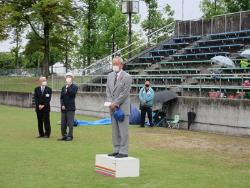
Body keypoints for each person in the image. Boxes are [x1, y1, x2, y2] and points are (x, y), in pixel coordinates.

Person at [106, 56, 132, 158]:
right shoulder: (110, 76)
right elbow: (108, 90)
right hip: (112, 108)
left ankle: (124, 151)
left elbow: (125, 93)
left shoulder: (127, 77)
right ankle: (116, 149)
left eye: (116, 64)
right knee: (115, 130)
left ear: (121, 65)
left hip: (122, 108)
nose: (114, 66)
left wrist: (115, 103)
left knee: (123, 130)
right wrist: (110, 102)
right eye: (113, 64)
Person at [58, 72, 78, 141]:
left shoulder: (75, 87)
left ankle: (70, 136)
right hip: (63, 108)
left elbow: (72, 94)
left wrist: (69, 86)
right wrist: (62, 105)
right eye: (67, 77)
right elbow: (61, 97)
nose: (68, 78)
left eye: (69, 77)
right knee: (63, 123)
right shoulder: (63, 87)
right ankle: (64, 135)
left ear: (72, 78)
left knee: (70, 123)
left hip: (70, 108)